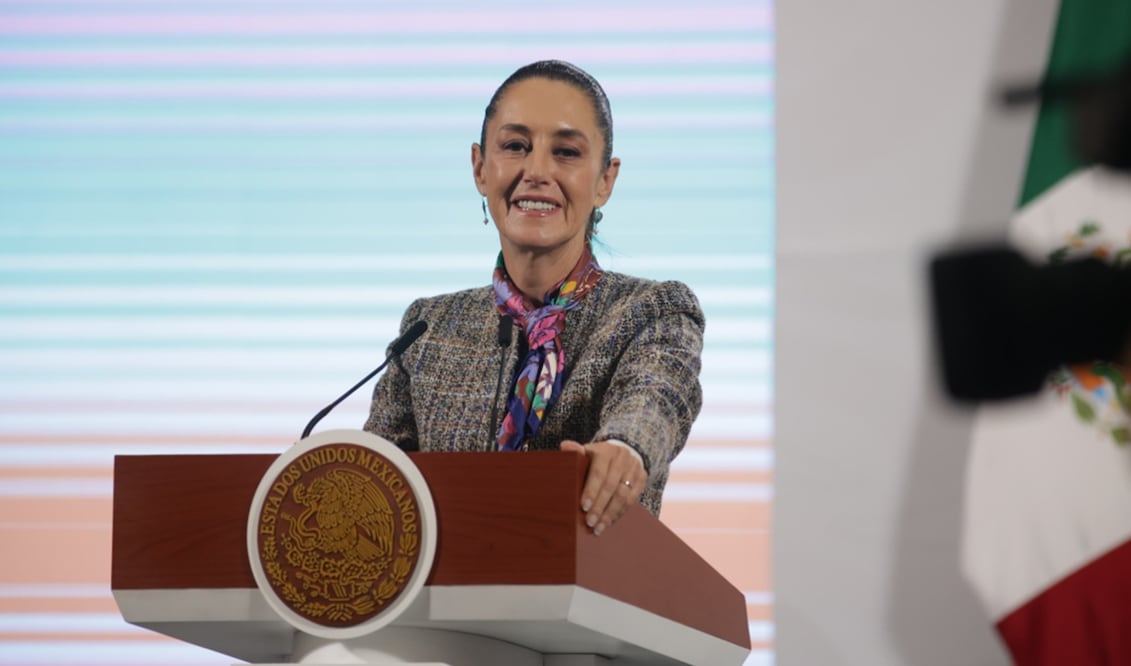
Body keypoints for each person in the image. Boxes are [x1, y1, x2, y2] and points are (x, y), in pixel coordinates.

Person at [364, 60, 704, 536]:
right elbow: (371, 486)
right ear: (481, 168)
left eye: (565, 152)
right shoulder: (427, 328)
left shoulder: (652, 312)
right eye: (516, 146)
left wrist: (625, 449)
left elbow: (656, 403)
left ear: (605, 180)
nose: (537, 171)